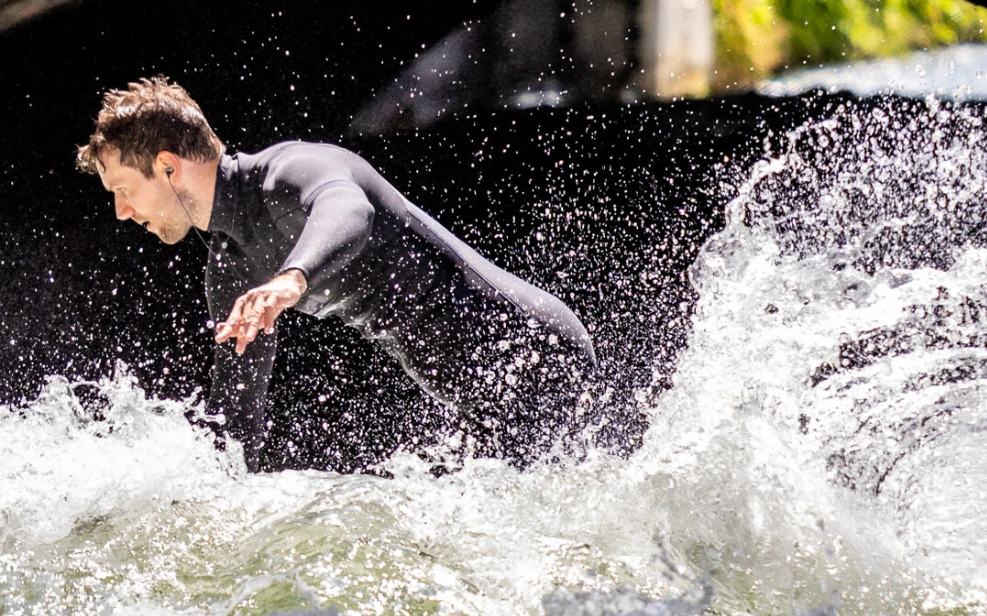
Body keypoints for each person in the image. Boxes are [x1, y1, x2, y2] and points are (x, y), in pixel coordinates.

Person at [75, 77, 597, 470]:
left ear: (168, 166)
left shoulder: (288, 171)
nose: (121, 211)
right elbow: (237, 415)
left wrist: (291, 278)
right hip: (476, 399)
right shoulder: (231, 269)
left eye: (123, 189)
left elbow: (349, 210)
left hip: (531, 350)